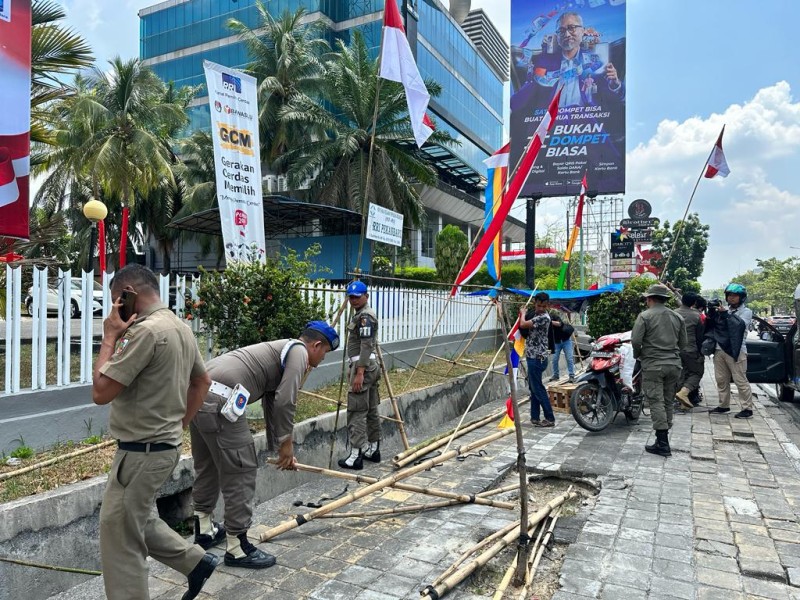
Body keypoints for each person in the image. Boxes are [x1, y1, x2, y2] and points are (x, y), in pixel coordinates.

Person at [91, 264, 217, 600]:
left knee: (119, 536)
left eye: (118, 301)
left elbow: (101, 392)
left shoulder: (145, 332)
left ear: (128, 294)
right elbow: (202, 381)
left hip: (141, 453)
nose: (116, 310)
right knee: (135, 518)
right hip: (161, 448)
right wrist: (180, 424)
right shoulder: (179, 326)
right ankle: (195, 563)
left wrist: (109, 337)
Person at [190, 321, 340, 568]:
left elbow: (272, 401)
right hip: (221, 399)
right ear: (316, 345)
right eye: (325, 352)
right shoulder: (299, 352)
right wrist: (286, 444)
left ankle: (204, 530)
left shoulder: (280, 350)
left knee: (207, 464)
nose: (323, 359)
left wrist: (279, 448)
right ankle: (237, 547)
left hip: (199, 392)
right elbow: (285, 401)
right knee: (241, 469)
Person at [511, 11, 625, 111]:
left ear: (583, 31)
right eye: (561, 30)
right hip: (550, 125)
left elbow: (617, 101)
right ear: (557, 36)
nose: (566, 34)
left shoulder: (595, 60)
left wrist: (615, 85)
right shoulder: (544, 62)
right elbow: (524, 95)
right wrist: (531, 79)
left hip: (586, 123)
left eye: (571, 28)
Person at [631, 284, 686, 457]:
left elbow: (635, 341)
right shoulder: (677, 317)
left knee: (656, 402)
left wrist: (639, 355)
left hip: (654, 365)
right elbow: (683, 344)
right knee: (668, 401)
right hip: (674, 365)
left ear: (650, 299)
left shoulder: (645, 316)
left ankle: (662, 443)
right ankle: (663, 438)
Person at [338, 281, 382, 470]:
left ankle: (355, 455)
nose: (353, 300)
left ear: (366, 296)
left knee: (357, 410)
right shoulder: (362, 314)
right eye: (351, 297)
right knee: (371, 408)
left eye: (357, 296)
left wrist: (360, 372)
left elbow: (366, 344)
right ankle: (373, 449)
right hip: (369, 365)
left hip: (363, 366)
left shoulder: (365, 317)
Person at [707, 284, 754, 418]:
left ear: (741, 298)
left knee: (740, 380)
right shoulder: (724, 310)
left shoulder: (746, 312)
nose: (731, 298)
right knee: (721, 380)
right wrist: (711, 312)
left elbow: (739, 325)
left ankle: (747, 408)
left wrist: (725, 314)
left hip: (737, 351)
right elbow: (713, 325)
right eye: (729, 295)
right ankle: (723, 406)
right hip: (719, 349)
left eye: (735, 296)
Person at [519, 292, 555, 427]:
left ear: (548, 306)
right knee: (533, 387)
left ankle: (550, 418)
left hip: (537, 358)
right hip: (533, 356)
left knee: (537, 388)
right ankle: (535, 417)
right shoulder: (536, 315)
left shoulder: (544, 318)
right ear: (535, 303)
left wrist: (522, 313)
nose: (540, 308)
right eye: (538, 305)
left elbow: (523, 325)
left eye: (543, 306)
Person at [674, 292, 705, 411]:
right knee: (697, 373)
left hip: (675, 349)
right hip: (691, 349)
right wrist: (701, 353)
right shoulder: (697, 316)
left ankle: (683, 403)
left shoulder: (673, 313)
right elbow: (699, 336)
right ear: (694, 303)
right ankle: (684, 392)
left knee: (681, 374)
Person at [549, 309, 575, 383]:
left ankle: (571, 375)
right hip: (556, 342)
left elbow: (559, 324)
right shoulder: (546, 321)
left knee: (569, 358)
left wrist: (550, 322)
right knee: (554, 359)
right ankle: (556, 375)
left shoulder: (554, 316)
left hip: (566, 340)